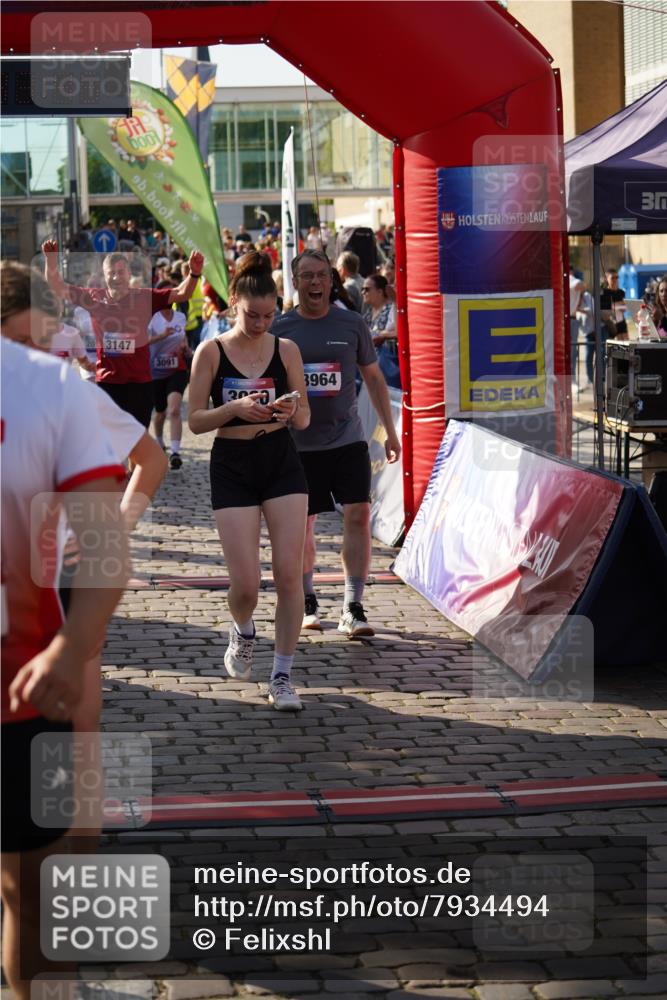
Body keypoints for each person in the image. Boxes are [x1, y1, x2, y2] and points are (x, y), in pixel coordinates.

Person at [1, 265, 130, 999]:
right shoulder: (56, 388)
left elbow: (104, 546)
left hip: (24, 687)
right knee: (31, 898)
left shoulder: (59, 390)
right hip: (26, 684)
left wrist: (71, 649)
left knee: (34, 895)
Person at [188, 252, 311, 711]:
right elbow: (195, 420)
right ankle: (242, 630)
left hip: (281, 460)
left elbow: (304, 417)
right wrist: (233, 409)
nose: (261, 323)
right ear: (233, 302)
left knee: (288, 574)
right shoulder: (212, 351)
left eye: (269, 315)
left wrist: (289, 408)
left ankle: (282, 676)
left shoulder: (288, 351)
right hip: (232, 463)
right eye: (251, 315)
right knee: (246, 585)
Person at [272, 249, 401, 637]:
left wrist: (390, 432)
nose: (315, 283)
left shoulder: (351, 324)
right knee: (303, 526)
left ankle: (353, 606)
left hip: (347, 439)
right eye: (307, 276)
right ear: (295, 282)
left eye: (322, 276)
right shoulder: (281, 328)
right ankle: (308, 600)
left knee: (359, 516)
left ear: (331, 281)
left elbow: (375, 380)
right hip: (298, 446)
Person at [41, 240, 204, 429]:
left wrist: (194, 273)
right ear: (105, 275)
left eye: (120, 272)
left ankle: (134, 460)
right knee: (112, 440)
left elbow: (181, 293)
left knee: (137, 438)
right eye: (111, 273)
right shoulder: (94, 297)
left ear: (128, 274)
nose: (116, 277)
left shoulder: (144, 297)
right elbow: (57, 287)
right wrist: (51, 260)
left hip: (140, 382)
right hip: (108, 381)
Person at [148, 291, 190, 469]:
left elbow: (183, 337)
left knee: (173, 410)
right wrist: (161, 336)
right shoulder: (152, 318)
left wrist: (185, 346)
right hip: (155, 371)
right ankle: (159, 443)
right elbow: (143, 341)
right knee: (160, 413)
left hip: (177, 369)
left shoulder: (180, 316)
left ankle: (175, 452)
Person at [361, 273, 401, 389]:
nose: (363, 292)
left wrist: (383, 335)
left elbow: (399, 332)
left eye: (367, 289)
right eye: (362, 289)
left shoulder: (391, 309)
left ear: (379, 291)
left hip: (386, 365)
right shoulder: (368, 313)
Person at [600, 268, 628, 340]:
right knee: (614, 346)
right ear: (606, 279)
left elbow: (625, 306)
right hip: (609, 322)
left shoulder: (621, 292)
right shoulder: (604, 292)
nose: (615, 280)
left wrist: (620, 305)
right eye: (613, 278)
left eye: (617, 277)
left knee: (626, 342)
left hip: (621, 321)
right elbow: (602, 307)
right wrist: (618, 304)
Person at [651, 274, 667, 339]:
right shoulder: (659, 312)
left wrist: (662, 319)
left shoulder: (661, 316)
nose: (664, 294)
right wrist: (652, 322)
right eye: (661, 291)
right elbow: (662, 335)